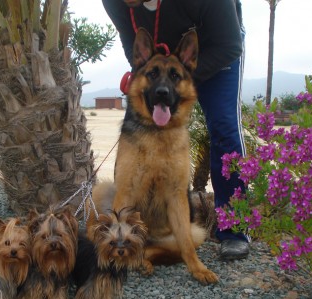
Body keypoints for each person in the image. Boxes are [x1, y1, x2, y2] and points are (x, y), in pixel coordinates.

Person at [102, 0, 250, 260]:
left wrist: (179, 79)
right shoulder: (114, 2)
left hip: (217, 49)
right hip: (160, 62)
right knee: (132, 132)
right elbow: (131, 43)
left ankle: (234, 231)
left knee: (225, 129)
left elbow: (230, 45)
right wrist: (148, 75)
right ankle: (127, 233)